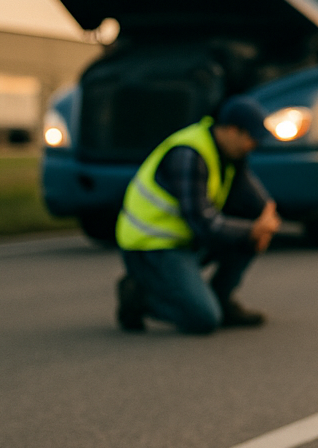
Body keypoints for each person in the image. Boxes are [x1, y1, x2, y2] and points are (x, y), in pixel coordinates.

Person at [114, 95, 282, 333]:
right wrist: (253, 230)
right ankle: (138, 298)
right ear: (232, 131)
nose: (253, 145)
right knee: (202, 319)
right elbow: (203, 223)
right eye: (250, 138)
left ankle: (221, 300)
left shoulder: (230, 155)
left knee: (249, 234)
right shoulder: (189, 154)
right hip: (152, 247)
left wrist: (267, 217)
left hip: (184, 241)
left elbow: (252, 196)